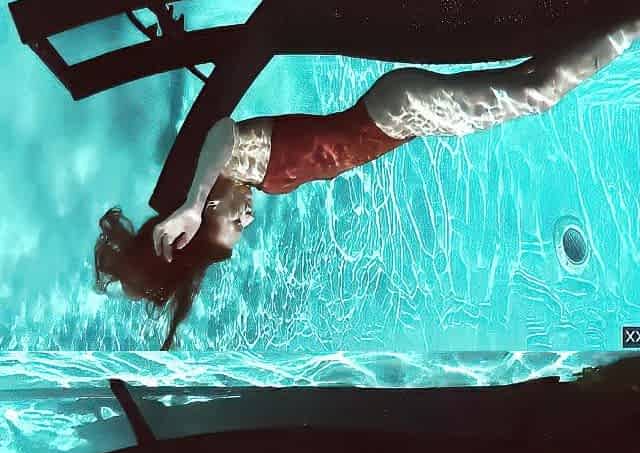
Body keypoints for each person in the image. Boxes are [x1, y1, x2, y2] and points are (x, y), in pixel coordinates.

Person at [94, 19, 640, 350]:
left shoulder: (232, 162)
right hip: (405, 119)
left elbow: (221, 129)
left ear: (208, 206)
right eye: (242, 227)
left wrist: (191, 205)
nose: (248, 219)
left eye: (231, 222)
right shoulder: (246, 176)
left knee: (538, 91)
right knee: (530, 81)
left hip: (395, 111)